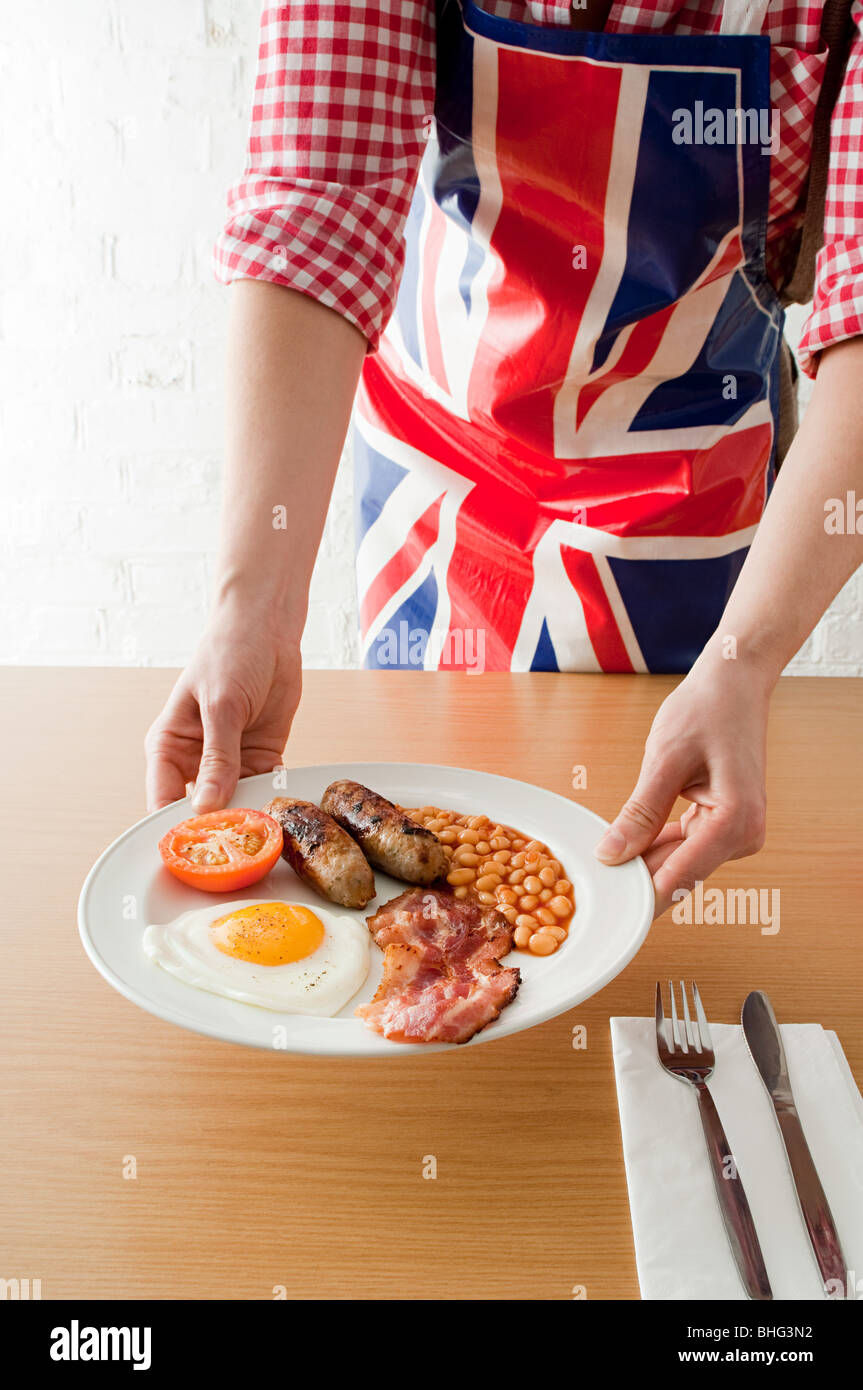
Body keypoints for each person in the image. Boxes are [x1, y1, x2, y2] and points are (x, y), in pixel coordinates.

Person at [145, 0, 863, 918]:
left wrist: (746, 658)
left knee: (643, 887)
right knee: (430, 877)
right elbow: (313, 204)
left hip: (687, 478)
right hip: (438, 472)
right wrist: (253, 608)